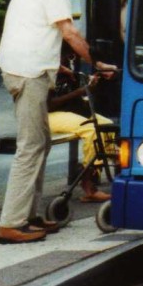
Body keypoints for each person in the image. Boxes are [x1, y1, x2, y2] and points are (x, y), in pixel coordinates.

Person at [0, 0, 112, 244]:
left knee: (41, 143)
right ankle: (11, 222)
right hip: (29, 73)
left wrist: (55, 65)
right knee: (31, 146)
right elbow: (69, 33)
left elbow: (33, 30)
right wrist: (95, 62)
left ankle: (28, 215)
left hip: (27, 68)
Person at [48, 46, 116, 202]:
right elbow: (49, 105)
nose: (67, 60)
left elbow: (77, 95)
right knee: (91, 129)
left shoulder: (68, 68)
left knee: (107, 125)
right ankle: (88, 183)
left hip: (69, 111)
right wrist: (80, 92)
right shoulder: (47, 70)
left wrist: (89, 85)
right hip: (49, 115)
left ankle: (93, 169)